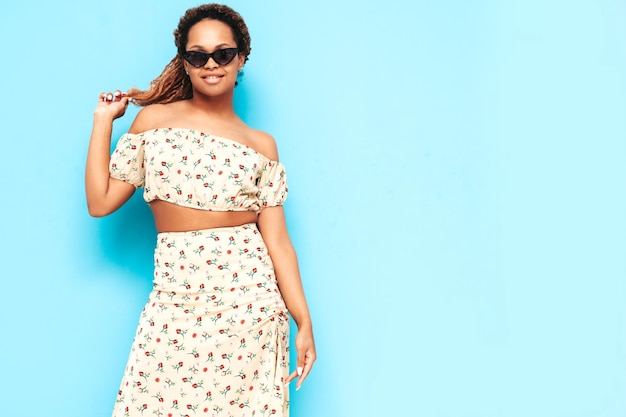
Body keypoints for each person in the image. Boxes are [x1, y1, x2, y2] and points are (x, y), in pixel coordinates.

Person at [85, 4, 316, 416]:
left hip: (250, 305)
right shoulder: (153, 122)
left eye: (223, 53)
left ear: (241, 57)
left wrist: (304, 321)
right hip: (175, 298)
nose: (212, 64)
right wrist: (104, 120)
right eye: (198, 55)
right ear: (185, 63)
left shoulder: (260, 144)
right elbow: (100, 203)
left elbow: (278, 242)